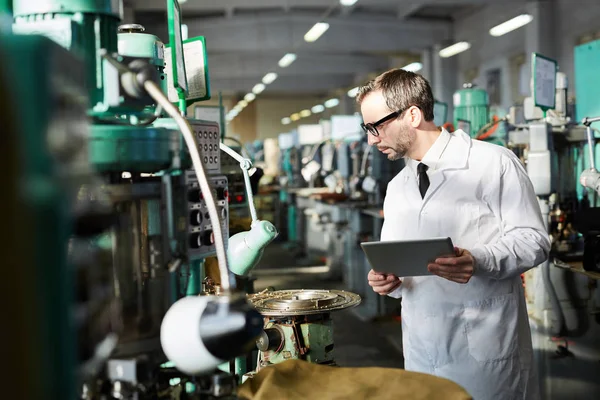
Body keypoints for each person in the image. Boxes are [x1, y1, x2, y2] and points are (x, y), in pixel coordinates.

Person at [357, 69, 550, 400]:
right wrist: (388, 283)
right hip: (421, 352)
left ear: (413, 115)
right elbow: (399, 266)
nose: (372, 139)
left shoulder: (493, 163)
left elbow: (534, 240)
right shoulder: (398, 187)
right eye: (367, 129)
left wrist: (478, 260)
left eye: (376, 126)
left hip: (485, 352)